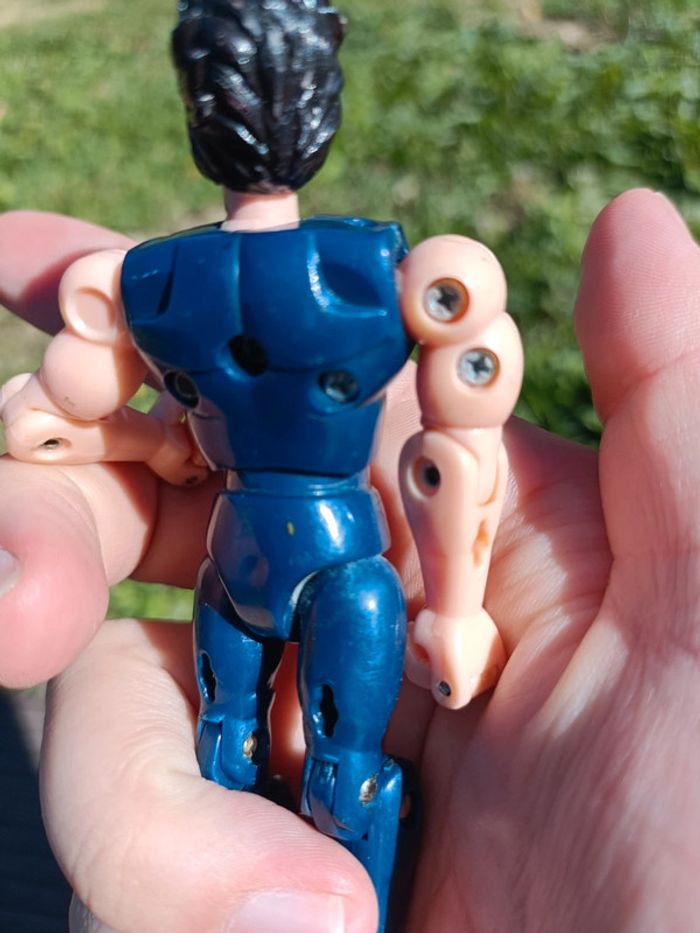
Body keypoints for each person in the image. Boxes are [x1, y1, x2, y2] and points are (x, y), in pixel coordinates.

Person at [0, 188, 698, 932]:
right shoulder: (149, 282)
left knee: (340, 777)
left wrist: (459, 606)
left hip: (329, 566)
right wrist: (146, 443)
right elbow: (57, 415)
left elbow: (460, 441)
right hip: (241, 560)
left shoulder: (352, 271)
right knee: (225, 749)